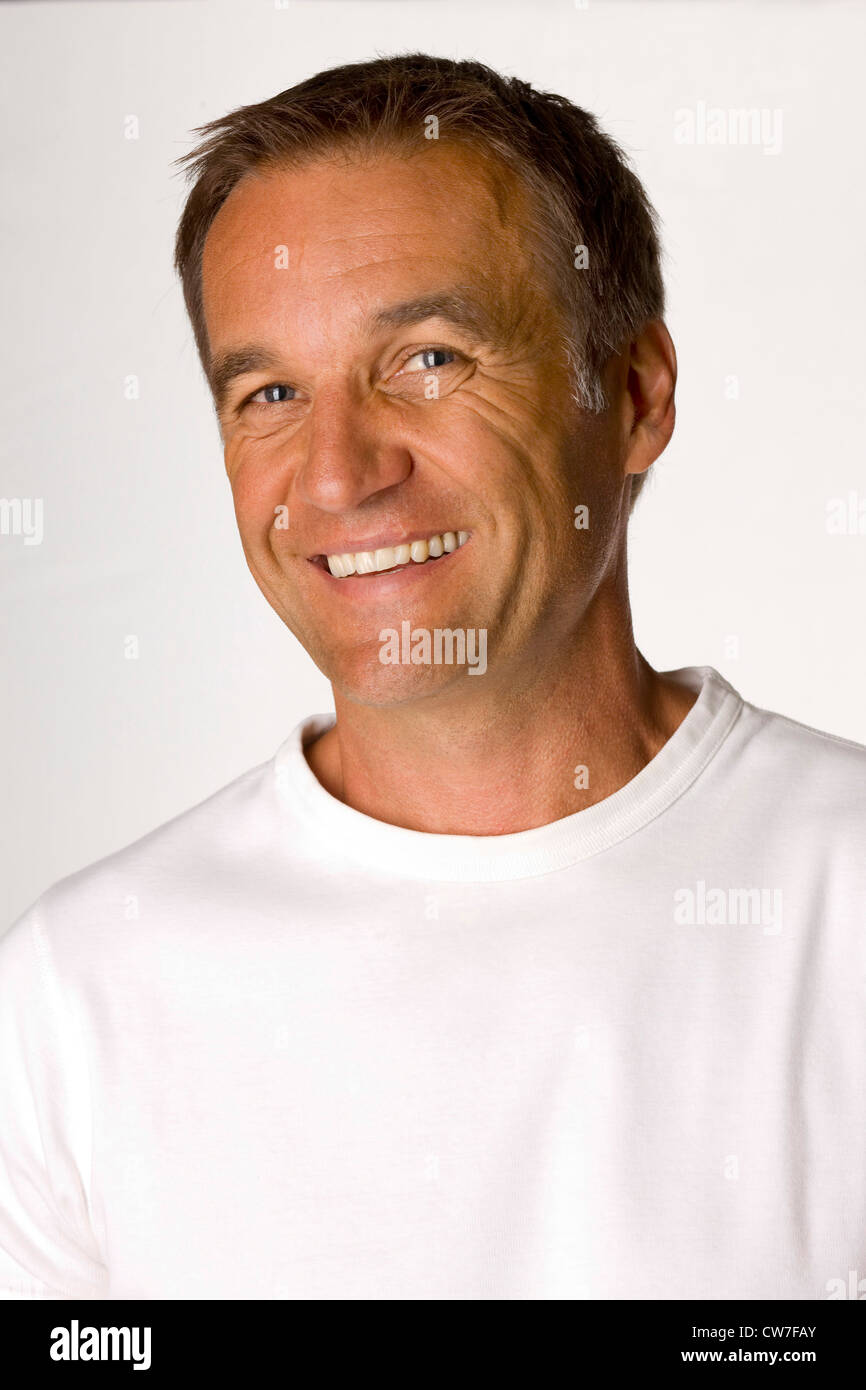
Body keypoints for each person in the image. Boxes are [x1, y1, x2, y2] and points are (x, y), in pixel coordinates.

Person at [1, 54, 864, 1302]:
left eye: (428, 360)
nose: (338, 474)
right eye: (271, 392)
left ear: (630, 394)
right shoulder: (67, 1005)